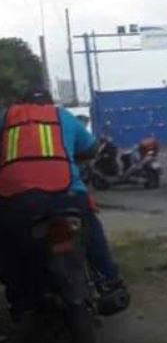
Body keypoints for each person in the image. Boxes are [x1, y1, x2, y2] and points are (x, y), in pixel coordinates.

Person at [0, 88, 125, 316]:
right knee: (90, 228)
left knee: (9, 241)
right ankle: (109, 283)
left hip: (19, 200)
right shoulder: (62, 115)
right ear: (49, 102)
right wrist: (71, 156)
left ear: (21, 103)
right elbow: (92, 148)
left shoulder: (7, 117)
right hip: (67, 194)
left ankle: (20, 298)